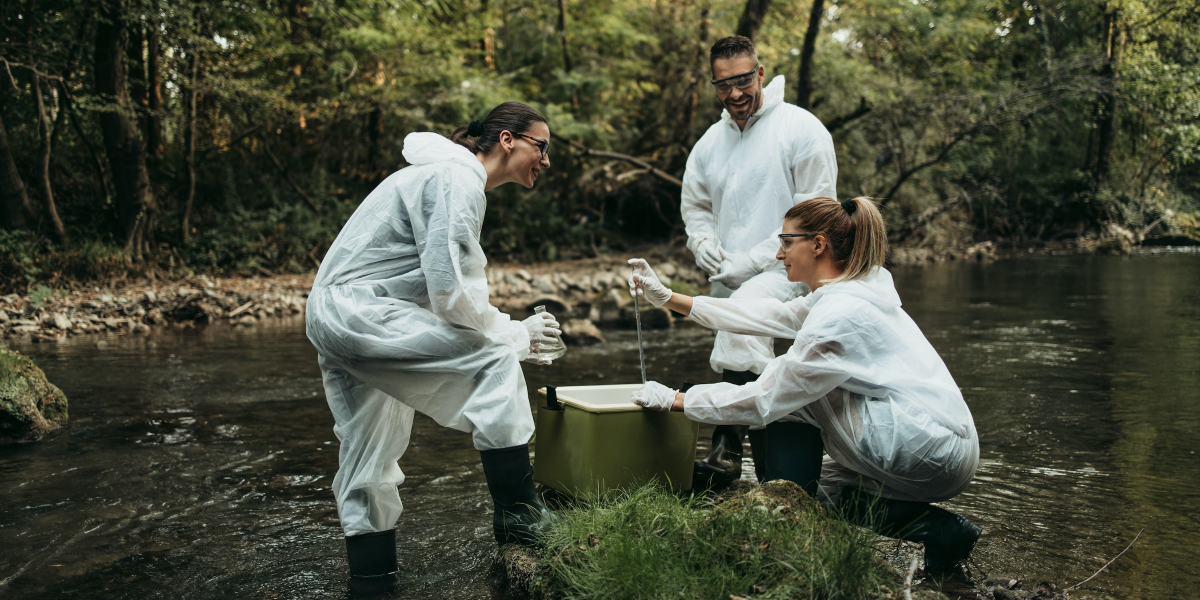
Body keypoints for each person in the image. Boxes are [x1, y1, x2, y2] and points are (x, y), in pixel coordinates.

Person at [628, 197, 982, 575]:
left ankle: (782, 535)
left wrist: (677, 400)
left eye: (785, 241)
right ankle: (941, 531)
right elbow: (769, 316)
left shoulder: (839, 315)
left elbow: (766, 398)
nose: (779, 254)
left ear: (818, 244)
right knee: (817, 491)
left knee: (790, 395)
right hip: (934, 444)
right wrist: (668, 298)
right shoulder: (847, 292)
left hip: (930, 448)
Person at [305, 102, 560, 593]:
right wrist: (516, 335)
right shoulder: (455, 178)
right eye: (541, 146)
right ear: (507, 140)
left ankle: (373, 582)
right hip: (363, 314)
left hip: (338, 315)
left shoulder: (444, 175)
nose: (545, 160)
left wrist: (507, 333)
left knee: (369, 452)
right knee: (494, 362)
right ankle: (520, 517)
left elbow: (442, 290)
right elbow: (452, 292)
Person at [681, 35, 838, 487]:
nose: (734, 93)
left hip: (793, 270)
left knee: (745, 323)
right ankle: (773, 478)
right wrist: (702, 241)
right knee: (757, 362)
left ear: (761, 73)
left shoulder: (801, 129)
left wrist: (752, 261)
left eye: (743, 80)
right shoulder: (709, 143)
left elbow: (816, 211)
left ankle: (726, 449)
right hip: (727, 275)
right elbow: (696, 205)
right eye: (723, 84)